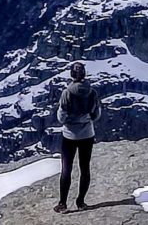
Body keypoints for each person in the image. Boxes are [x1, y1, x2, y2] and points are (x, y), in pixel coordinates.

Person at [55, 61, 100, 213]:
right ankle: (81, 202)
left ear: (71, 75)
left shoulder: (67, 92)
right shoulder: (92, 92)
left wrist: (71, 121)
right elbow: (96, 115)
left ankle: (62, 204)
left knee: (66, 169)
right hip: (87, 134)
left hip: (69, 136)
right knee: (85, 168)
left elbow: (61, 117)